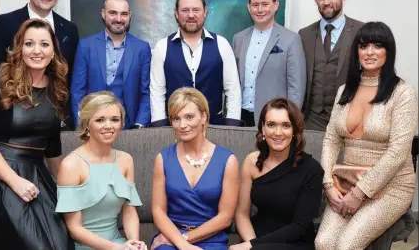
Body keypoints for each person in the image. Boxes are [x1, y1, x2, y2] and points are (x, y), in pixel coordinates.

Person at [0, 19, 73, 250]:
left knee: (62, 243)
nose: (36, 50)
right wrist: (15, 181)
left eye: (44, 44)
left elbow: (52, 148)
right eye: (29, 43)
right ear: (19, 49)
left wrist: (69, 190)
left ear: (53, 52)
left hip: (36, 175)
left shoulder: (58, 90)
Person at [315, 22, 418, 250]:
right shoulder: (345, 90)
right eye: (364, 46)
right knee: (323, 243)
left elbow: (399, 151)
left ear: (388, 52)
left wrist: (361, 193)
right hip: (347, 182)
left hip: (392, 186)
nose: (370, 52)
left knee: (346, 245)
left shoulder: (403, 93)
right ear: (357, 51)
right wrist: (328, 184)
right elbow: (331, 139)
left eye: (377, 46)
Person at [0, 0, 79, 129]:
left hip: (56, 119)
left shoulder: (69, 29)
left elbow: (71, 76)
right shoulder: (4, 23)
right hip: (14, 116)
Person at [151, 87, 240, 250]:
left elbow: (226, 217)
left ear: (204, 117)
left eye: (189, 117)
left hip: (211, 239)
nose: (182, 125)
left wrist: (185, 240)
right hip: (170, 237)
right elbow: (158, 211)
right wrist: (179, 242)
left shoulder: (228, 160)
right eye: (176, 119)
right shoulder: (163, 158)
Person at [56, 91, 146, 250]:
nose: (109, 126)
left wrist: (133, 243)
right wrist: (115, 248)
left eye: (115, 120)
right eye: (100, 120)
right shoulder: (71, 165)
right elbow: (74, 229)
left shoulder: (126, 160)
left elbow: (129, 210)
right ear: (86, 124)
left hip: (119, 243)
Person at [229, 98, 324, 250]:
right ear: (263, 128)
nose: (278, 133)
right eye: (271, 125)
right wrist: (251, 243)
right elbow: (241, 214)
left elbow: (299, 226)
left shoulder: (312, 169)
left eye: (286, 125)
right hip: (256, 236)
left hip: (294, 242)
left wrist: (255, 247)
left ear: (294, 130)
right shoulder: (252, 162)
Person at [150, 0, 242, 127]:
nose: (191, 15)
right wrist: (160, 128)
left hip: (214, 126)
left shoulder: (222, 44)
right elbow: (157, 92)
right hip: (175, 127)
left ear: (205, 12)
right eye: (185, 10)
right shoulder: (161, 47)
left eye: (196, 10)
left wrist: (232, 126)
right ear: (176, 13)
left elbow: (233, 90)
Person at [71, 0, 151, 130]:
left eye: (124, 14)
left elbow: (146, 92)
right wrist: (83, 124)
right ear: (103, 14)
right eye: (113, 13)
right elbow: (77, 91)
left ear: (129, 16)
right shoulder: (86, 46)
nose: (119, 19)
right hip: (94, 126)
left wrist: (139, 125)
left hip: (130, 128)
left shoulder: (142, 48)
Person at [233, 0, 306, 127]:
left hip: (274, 119)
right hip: (240, 116)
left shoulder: (291, 39)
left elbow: (296, 88)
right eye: (255, 5)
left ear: (275, 5)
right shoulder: (238, 39)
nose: (260, 10)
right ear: (249, 7)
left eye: (265, 4)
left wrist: (290, 121)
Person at [298, 0, 364, 132]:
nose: (326, 2)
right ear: (315, 0)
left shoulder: (361, 31)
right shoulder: (304, 34)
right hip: (310, 122)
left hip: (348, 122)